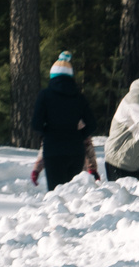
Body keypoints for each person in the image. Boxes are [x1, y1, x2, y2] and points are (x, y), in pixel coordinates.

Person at [29, 52, 99, 188]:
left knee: (56, 193)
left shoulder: (45, 95)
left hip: (53, 150)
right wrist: (79, 135)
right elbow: (92, 124)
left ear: (52, 76)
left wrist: (48, 133)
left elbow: (36, 124)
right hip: (75, 150)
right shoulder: (79, 97)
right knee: (73, 193)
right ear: (70, 77)